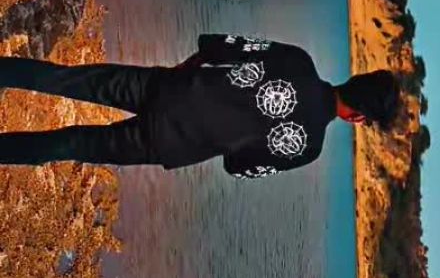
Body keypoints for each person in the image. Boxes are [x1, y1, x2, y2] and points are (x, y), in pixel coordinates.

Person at [0, 34, 400, 170]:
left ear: (356, 78)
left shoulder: (298, 60)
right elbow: (238, 167)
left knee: (65, 79)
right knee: (70, 145)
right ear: (358, 118)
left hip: (169, 87)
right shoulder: (307, 148)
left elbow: (224, 45)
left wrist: (188, 68)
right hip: (170, 142)